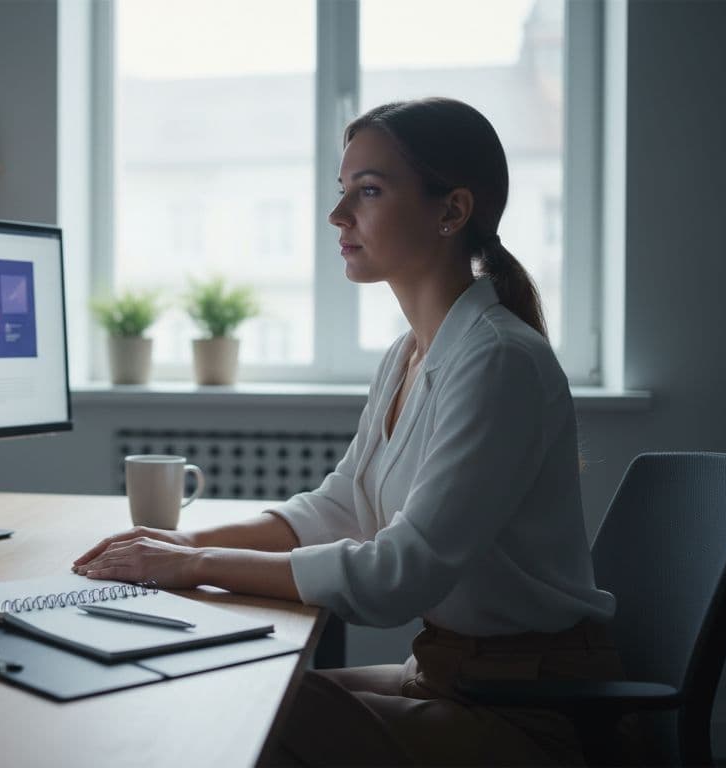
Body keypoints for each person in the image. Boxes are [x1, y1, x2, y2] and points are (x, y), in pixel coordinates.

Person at [72, 97, 622, 766]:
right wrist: (185, 538)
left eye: (368, 191)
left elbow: (398, 576)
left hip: (530, 710)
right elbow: (341, 509)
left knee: (246, 713)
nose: (337, 216)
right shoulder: (410, 354)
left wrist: (195, 565)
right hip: (449, 676)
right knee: (244, 691)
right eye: (343, 191)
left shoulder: (498, 359)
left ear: (451, 211)